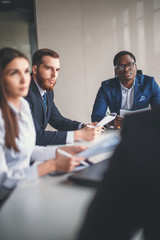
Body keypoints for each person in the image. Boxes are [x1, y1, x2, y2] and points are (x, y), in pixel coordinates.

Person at [0, 47, 87, 202]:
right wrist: (52, 165)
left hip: (23, 187)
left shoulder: (21, 105)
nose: (23, 79)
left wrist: (61, 151)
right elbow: (3, 182)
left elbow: (28, 149)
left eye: (25, 72)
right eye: (14, 73)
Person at [78, 107, 160, 240]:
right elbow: (97, 116)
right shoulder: (108, 87)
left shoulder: (145, 132)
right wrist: (112, 122)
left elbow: (99, 231)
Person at [25, 48, 102, 146]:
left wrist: (83, 126)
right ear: (35, 69)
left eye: (57, 70)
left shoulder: (47, 91)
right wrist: (79, 135)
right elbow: (36, 136)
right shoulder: (24, 92)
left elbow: (57, 120)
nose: (54, 75)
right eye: (48, 68)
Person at [91, 50, 160, 128]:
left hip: (143, 128)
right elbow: (96, 116)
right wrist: (112, 122)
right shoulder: (106, 87)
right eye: (121, 66)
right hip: (119, 130)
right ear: (116, 71)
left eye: (130, 64)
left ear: (136, 67)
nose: (126, 69)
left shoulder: (149, 83)